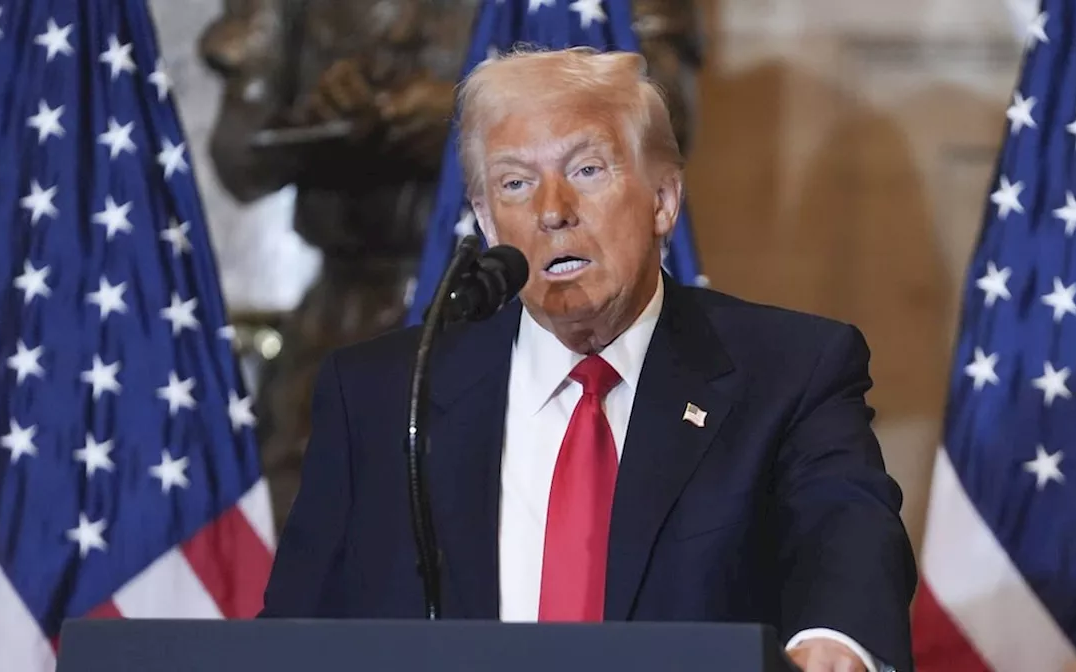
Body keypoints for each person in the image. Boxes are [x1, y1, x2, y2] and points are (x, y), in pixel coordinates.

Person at [260, 47, 917, 672]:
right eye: (515, 183)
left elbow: (845, 526)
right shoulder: (384, 393)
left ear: (663, 200)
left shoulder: (789, 370)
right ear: (487, 224)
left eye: (586, 170)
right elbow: (294, 632)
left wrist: (836, 638)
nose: (552, 211)